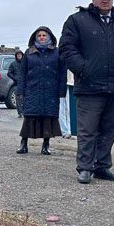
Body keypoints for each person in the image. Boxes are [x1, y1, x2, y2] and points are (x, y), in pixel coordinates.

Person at [60, 0, 114, 183]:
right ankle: (85, 168)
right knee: (88, 130)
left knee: (109, 129)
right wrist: (83, 69)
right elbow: (67, 48)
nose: (105, 0)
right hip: (89, 86)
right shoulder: (77, 21)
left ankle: (102, 166)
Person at [17, 26, 67, 155]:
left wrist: (62, 90)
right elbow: (22, 74)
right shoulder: (29, 52)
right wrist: (20, 91)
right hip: (32, 89)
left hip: (51, 90)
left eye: (44, 35)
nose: (42, 38)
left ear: (49, 37)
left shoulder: (57, 52)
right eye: (39, 36)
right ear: (35, 37)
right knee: (29, 118)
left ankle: (46, 145)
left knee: (48, 118)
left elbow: (62, 73)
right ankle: (24, 144)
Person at [6, 49, 24, 118]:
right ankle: (20, 113)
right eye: (18, 55)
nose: (19, 56)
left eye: (20, 54)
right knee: (19, 98)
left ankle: (25, 112)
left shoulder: (25, 63)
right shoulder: (13, 64)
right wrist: (15, 78)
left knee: (25, 98)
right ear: (16, 56)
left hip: (25, 83)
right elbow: (9, 73)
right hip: (17, 84)